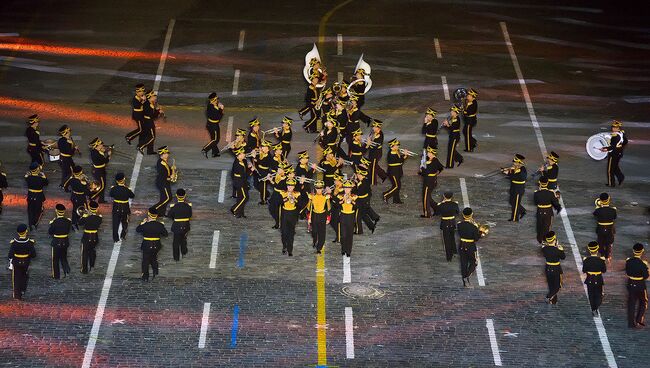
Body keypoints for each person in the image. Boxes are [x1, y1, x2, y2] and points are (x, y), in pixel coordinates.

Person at [136, 208, 168, 281]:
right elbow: (165, 234)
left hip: (147, 244)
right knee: (154, 257)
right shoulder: (160, 225)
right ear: (156, 216)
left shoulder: (145, 225)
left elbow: (137, 230)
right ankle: (155, 271)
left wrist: (142, 223)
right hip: (157, 244)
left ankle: (145, 276)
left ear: (149, 215)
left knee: (145, 260)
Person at [7, 224, 37, 300]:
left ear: (18, 233)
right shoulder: (30, 242)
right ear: (26, 231)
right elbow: (34, 255)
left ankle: (17, 295)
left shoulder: (14, 243)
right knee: (24, 275)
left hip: (16, 262)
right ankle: (23, 289)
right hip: (26, 262)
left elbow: (10, 255)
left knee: (16, 278)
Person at [625, 243, 648, 328]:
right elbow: (646, 276)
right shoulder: (643, 263)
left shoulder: (629, 261)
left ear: (633, 251)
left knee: (631, 303)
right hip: (640, 285)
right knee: (643, 302)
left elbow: (627, 272)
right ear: (642, 251)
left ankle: (631, 323)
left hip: (631, 283)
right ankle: (639, 318)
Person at [533, 176, 561, 244]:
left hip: (539, 210)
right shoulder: (550, 193)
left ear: (540, 183)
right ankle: (546, 240)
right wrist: (557, 201)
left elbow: (535, 202)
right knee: (547, 226)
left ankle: (539, 239)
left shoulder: (536, 193)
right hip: (548, 211)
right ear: (547, 183)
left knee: (539, 225)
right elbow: (555, 203)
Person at [582, 241, 607, 316]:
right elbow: (604, 270)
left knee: (591, 295)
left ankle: (593, 309)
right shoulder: (601, 260)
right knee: (598, 294)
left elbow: (584, 270)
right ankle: (596, 307)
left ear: (589, 250)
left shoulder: (586, 260)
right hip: (598, 279)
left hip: (589, 279)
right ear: (597, 249)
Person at [601, 120, 628, 187]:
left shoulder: (615, 136)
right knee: (615, 167)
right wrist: (620, 147)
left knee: (610, 169)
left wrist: (606, 149)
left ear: (618, 128)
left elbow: (613, 146)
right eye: (613, 127)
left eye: (615, 127)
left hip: (613, 154)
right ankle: (621, 177)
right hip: (619, 153)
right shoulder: (621, 133)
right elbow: (625, 141)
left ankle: (611, 183)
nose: (613, 128)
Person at [48, 204, 72, 279]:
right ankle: (67, 271)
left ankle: (56, 275)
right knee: (64, 257)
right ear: (64, 212)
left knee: (55, 259)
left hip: (56, 242)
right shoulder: (68, 221)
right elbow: (68, 231)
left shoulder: (54, 222)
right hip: (65, 241)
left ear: (56, 211)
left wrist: (51, 224)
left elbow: (50, 232)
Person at [167, 188, 192, 261]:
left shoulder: (174, 206)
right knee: (184, 238)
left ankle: (176, 257)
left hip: (177, 226)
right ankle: (184, 251)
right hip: (186, 225)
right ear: (185, 196)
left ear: (176, 196)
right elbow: (190, 215)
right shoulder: (188, 206)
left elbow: (169, 215)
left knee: (175, 242)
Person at [457, 207, 480, 286]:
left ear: (463, 215)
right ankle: (467, 276)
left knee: (463, 262)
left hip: (462, 245)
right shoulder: (474, 226)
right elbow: (476, 238)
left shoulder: (459, 224)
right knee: (474, 262)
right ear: (471, 214)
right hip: (470, 246)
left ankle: (464, 279)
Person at [541, 231, 565, 304]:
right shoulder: (558, 249)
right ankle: (549, 296)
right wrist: (560, 249)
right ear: (554, 240)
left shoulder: (544, 249)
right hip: (556, 269)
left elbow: (545, 252)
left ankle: (553, 300)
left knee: (551, 285)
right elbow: (563, 257)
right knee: (557, 286)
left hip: (548, 268)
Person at [109, 173, 134, 242]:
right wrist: (129, 190)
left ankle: (115, 238)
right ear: (124, 180)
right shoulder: (127, 189)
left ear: (117, 181)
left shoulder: (113, 189)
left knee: (115, 223)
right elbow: (132, 196)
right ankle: (123, 235)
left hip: (116, 206)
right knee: (125, 222)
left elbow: (111, 195)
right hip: (125, 207)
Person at [419, 147, 444, 218]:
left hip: (428, 181)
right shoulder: (435, 160)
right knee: (428, 196)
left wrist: (421, 168)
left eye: (429, 153)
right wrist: (435, 174)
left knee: (425, 198)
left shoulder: (431, 162)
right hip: (432, 180)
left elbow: (425, 172)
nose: (428, 154)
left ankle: (427, 214)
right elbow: (441, 168)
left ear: (433, 154)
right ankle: (437, 208)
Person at [434, 192, 459, 262]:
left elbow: (436, 213)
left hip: (445, 223)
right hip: (452, 222)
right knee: (452, 237)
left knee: (446, 240)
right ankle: (454, 251)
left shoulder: (441, 205)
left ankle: (449, 256)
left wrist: (440, 204)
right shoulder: (455, 204)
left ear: (444, 196)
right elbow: (457, 212)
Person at [78, 201, 102, 274]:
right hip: (95, 236)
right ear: (97, 209)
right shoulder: (99, 218)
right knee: (92, 251)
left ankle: (84, 270)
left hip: (86, 236)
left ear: (90, 208)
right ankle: (92, 266)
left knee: (84, 253)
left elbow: (80, 223)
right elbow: (96, 221)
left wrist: (84, 216)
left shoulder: (86, 217)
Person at [63, 165, 90, 229]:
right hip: (80, 197)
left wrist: (68, 190)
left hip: (73, 196)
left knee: (75, 209)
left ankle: (74, 223)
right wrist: (86, 185)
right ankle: (78, 222)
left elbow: (65, 186)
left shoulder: (71, 179)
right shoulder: (81, 182)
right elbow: (87, 192)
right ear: (80, 172)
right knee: (83, 209)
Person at [308, 180, 330, 254]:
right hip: (314, 215)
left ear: (322, 188)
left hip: (322, 215)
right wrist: (309, 218)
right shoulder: (312, 196)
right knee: (314, 231)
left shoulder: (326, 197)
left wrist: (328, 217)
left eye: (320, 188)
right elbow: (309, 207)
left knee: (322, 232)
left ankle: (319, 247)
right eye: (317, 188)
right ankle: (315, 241)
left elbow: (328, 208)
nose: (319, 190)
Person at [382, 139, 408, 204]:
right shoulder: (392, 153)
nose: (398, 146)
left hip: (397, 171)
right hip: (393, 172)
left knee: (396, 185)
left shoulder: (395, 151)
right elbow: (399, 160)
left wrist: (404, 156)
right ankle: (386, 195)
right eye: (397, 145)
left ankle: (396, 200)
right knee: (397, 186)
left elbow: (399, 160)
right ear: (393, 146)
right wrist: (404, 156)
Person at [137, 90, 163, 155]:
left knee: (149, 135)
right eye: (154, 96)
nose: (155, 97)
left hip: (145, 121)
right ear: (150, 97)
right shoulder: (150, 105)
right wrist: (158, 111)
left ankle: (150, 151)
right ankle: (140, 146)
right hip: (148, 122)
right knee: (152, 137)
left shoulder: (148, 103)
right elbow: (153, 116)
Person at [593, 193, 617, 261]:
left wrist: (600, 206)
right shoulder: (613, 210)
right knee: (609, 242)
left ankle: (602, 254)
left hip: (600, 228)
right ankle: (607, 254)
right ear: (608, 200)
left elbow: (595, 214)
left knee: (600, 241)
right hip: (610, 228)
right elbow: (614, 217)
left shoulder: (598, 210)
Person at [503, 154, 527, 222]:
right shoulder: (516, 168)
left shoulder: (523, 170)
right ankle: (523, 211)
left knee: (516, 204)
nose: (514, 163)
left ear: (519, 163)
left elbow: (520, 177)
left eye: (515, 162)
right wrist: (506, 170)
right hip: (513, 187)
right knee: (511, 202)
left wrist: (508, 173)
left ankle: (514, 218)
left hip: (518, 189)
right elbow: (512, 173)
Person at [25, 162, 48, 230]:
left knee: (30, 210)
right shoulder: (41, 179)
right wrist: (44, 176)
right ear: (37, 169)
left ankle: (30, 223)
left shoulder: (28, 178)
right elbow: (46, 183)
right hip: (38, 196)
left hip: (30, 195)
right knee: (37, 210)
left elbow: (26, 177)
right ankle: (35, 223)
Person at [280, 179, 300, 256]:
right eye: (288, 186)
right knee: (284, 232)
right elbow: (279, 202)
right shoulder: (283, 192)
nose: (290, 188)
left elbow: (300, 204)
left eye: (291, 186)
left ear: (294, 187)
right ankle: (284, 246)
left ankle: (290, 249)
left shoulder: (297, 193)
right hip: (285, 213)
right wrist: (287, 198)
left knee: (291, 233)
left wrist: (294, 199)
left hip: (293, 213)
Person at [153, 146, 174, 217]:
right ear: (162, 154)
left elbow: (167, 170)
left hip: (164, 182)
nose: (167, 155)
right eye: (166, 154)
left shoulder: (164, 161)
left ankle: (161, 213)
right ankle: (153, 209)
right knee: (168, 198)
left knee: (163, 197)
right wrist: (171, 177)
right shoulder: (161, 164)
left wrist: (172, 169)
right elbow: (164, 176)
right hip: (163, 183)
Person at [338, 180, 357, 257]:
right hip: (343, 216)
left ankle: (348, 251)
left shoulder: (354, 196)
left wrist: (351, 201)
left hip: (351, 216)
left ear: (351, 189)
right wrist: (343, 200)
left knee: (349, 234)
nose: (347, 190)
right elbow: (336, 205)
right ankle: (343, 249)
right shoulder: (341, 196)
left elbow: (357, 207)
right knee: (343, 234)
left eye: (348, 188)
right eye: (345, 188)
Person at [202, 92, 224, 158]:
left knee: (213, 139)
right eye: (216, 100)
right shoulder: (212, 109)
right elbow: (218, 117)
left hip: (211, 124)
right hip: (213, 125)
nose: (217, 101)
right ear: (213, 101)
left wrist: (218, 106)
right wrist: (221, 109)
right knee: (216, 139)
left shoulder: (211, 105)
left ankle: (215, 153)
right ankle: (205, 149)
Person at [88, 138, 111, 203]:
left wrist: (103, 151)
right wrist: (109, 155)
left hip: (98, 170)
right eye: (101, 144)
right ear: (97, 145)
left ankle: (101, 199)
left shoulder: (94, 151)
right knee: (102, 186)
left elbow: (100, 153)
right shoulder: (98, 154)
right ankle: (92, 197)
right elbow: (105, 161)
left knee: (102, 185)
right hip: (99, 171)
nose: (102, 145)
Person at [230, 148, 250, 218]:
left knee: (240, 197)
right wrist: (251, 171)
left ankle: (240, 213)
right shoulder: (237, 164)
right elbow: (244, 175)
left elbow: (245, 170)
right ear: (238, 156)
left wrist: (249, 167)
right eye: (242, 154)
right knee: (245, 197)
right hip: (239, 182)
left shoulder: (243, 161)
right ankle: (234, 208)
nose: (244, 154)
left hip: (242, 181)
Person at [367, 120, 386, 185]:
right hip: (372, 152)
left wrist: (370, 142)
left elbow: (376, 145)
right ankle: (384, 176)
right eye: (373, 127)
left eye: (374, 127)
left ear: (378, 128)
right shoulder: (373, 133)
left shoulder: (380, 135)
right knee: (374, 166)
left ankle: (373, 182)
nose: (373, 128)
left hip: (376, 153)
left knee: (373, 167)